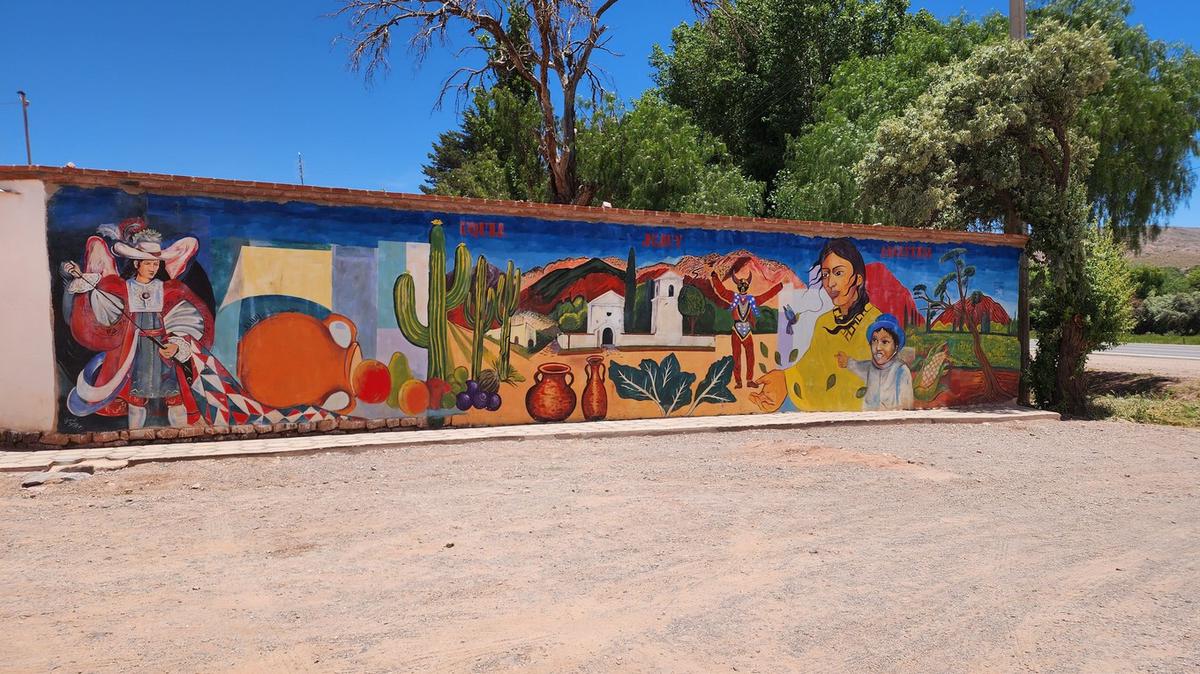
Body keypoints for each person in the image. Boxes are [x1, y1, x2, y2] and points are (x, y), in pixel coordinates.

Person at [61, 219, 211, 429]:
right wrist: (82, 278)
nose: (153, 268)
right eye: (148, 263)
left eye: (156, 263)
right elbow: (104, 306)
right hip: (134, 351)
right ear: (136, 264)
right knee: (136, 401)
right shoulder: (122, 288)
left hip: (164, 351)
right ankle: (136, 436)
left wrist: (176, 344)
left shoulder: (170, 289)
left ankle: (181, 436)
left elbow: (187, 318)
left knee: (176, 399)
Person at [750, 237, 882, 412]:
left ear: (857, 279)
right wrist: (781, 381)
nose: (830, 283)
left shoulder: (877, 325)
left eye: (838, 273)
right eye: (825, 274)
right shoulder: (824, 322)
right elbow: (809, 368)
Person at [709, 265, 782, 389]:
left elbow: (766, 296)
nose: (742, 287)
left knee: (750, 356)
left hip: (747, 330)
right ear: (738, 287)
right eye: (740, 286)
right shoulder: (733, 297)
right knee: (736, 356)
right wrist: (715, 277)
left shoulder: (751, 299)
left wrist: (779, 287)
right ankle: (738, 381)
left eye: (745, 285)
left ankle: (749, 380)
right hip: (736, 330)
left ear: (747, 286)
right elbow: (721, 291)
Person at [836, 314, 914, 411]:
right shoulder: (870, 367)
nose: (878, 347)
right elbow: (855, 365)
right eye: (874, 341)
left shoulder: (901, 371)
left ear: (896, 346)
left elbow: (906, 409)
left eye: (884, 342)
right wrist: (846, 361)